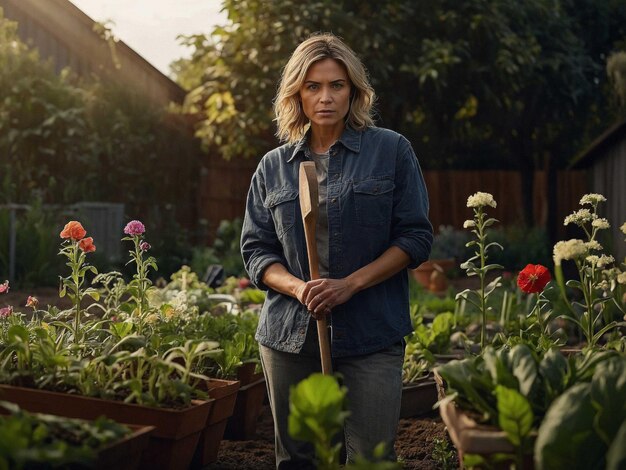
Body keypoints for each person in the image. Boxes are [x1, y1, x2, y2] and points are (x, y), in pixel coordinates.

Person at [240, 32, 433, 468]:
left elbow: (415, 237)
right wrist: (297, 288)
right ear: (297, 95)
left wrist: (348, 285)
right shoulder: (273, 167)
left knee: (371, 457)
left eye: (336, 85)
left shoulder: (392, 151)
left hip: (371, 333)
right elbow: (255, 250)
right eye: (313, 86)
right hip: (290, 337)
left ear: (354, 91)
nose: (325, 97)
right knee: (298, 459)